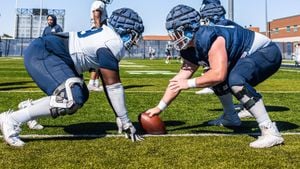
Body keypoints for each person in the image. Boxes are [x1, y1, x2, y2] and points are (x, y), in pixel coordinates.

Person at [0, 8, 144, 147]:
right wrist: (125, 120)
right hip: (44, 53)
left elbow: (108, 84)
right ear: (127, 31)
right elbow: (113, 86)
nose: (135, 41)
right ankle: (12, 119)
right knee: (72, 98)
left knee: (80, 94)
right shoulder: (113, 42)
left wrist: (120, 116)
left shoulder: (106, 33)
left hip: (52, 53)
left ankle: (31, 107)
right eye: (135, 36)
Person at [146, 5, 284, 148]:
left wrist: (189, 83)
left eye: (178, 33)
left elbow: (218, 74)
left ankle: (270, 131)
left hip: (266, 51)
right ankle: (231, 117)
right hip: (245, 54)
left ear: (189, 28)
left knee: (235, 80)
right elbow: (179, 80)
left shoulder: (208, 38)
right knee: (213, 79)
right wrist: (159, 107)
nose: (175, 37)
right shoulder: (189, 49)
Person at [197, 0, 253, 119]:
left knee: (232, 79)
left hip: (246, 57)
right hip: (240, 56)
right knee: (222, 79)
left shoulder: (222, 27)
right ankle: (232, 113)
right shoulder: (222, 25)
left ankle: (248, 107)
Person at [87, 0, 111, 92]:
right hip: (98, 30)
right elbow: (96, 15)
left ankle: (96, 83)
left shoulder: (99, 3)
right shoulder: (99, 3)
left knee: (99, 59)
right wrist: (99, 31)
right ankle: (91, 83)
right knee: (98, 59)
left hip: (97, 30)